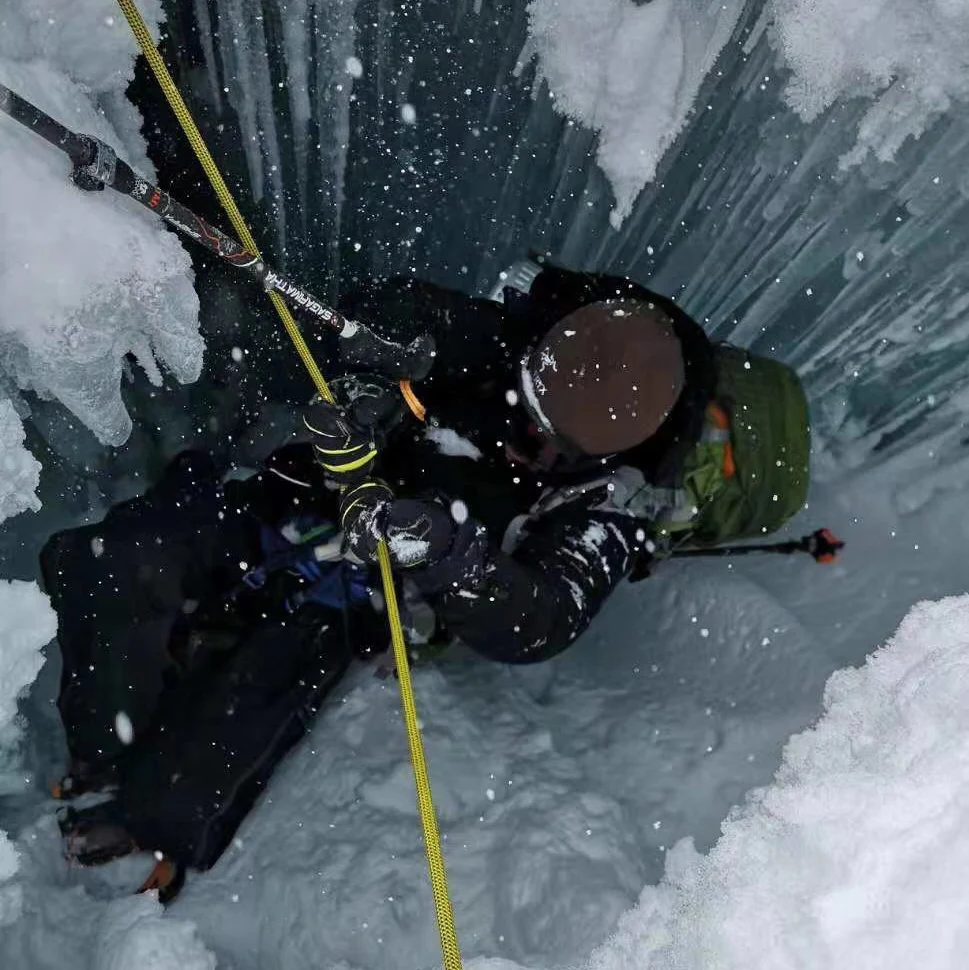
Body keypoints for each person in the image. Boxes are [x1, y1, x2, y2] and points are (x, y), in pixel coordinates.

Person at [41, 261, 810, 901]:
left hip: (373, 583)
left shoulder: (620, 501)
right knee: (114, 556)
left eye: (552, 442)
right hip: (299, 496)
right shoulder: (524, 343)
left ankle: (152, 824)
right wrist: (383, 362)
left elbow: (541, 619)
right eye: (532, 412)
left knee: (229, 724)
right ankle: (103, 750)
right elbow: (389, 308)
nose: (529, 437)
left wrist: (453, 559)